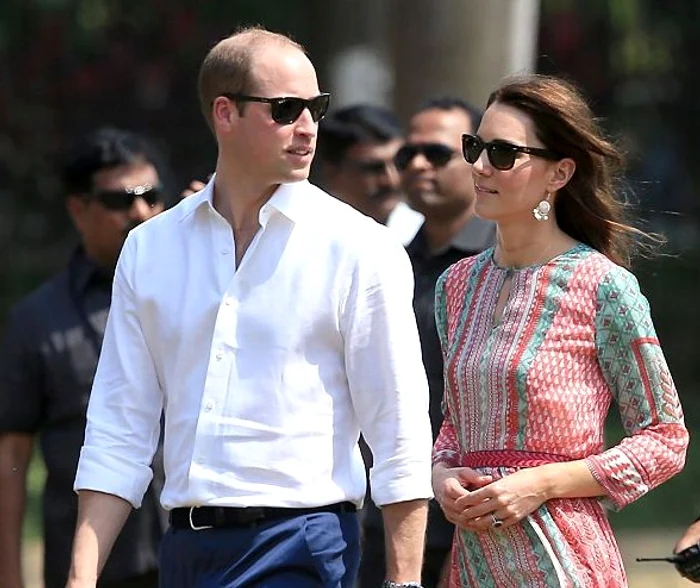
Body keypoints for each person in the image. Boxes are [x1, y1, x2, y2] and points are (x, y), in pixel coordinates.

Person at [66, 27, 433, 588]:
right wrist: (81, 576)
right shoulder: (150, 248)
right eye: (286, 109)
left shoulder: (360, 248)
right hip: (185, 549)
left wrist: (404, 583)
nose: (308, 128)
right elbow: (120, 426)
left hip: (304, 546)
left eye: (316, 108)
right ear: (225, 113)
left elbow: (398, 430)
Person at [431, 74, 689, 587]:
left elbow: (666, 439)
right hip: (474, 564)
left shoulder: (604, 287)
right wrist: (440, 475)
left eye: (503, 153)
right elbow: (454, 426)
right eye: (475, 147)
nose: (480, 166)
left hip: (566, 562)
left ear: (559, 173)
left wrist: (545, 483)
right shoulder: (455, 285)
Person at [0, 127, 168, 588]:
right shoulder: (38, 319)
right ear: (79, 209)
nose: (140, 211)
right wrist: (9, 576)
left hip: (192, 556)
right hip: (92, 567)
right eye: (119, 200)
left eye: (151, 195)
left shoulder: (194, 294)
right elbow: (11, 454)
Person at [358, 98, 495, 588]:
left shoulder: (506, 262)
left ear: (479, 158)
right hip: (391, 505)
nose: (416, 165)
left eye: (436, 154)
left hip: (480, 507)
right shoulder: (387, 260)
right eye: (406, 155)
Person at [317, 104, 424, 245]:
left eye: (400, 162)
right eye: (374, 168)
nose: (392, 180)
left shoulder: (425, 237)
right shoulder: (309, 238)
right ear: (333, 172)